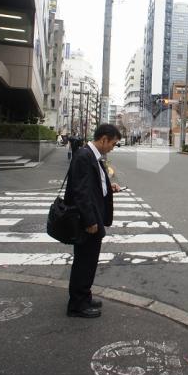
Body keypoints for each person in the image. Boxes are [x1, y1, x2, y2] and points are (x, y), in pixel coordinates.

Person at [64, 123, 122, 318]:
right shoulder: (84, 156)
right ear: (103, 139)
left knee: (88, 261)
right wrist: (90, 221)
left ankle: (84, 296)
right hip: (86, 219)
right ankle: (77, 305)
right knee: (84, 261)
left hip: (93, 214)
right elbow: (81, 192)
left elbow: (93, 185)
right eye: (112, 143)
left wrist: (108, 187)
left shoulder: (92, 156)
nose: (112, 147)